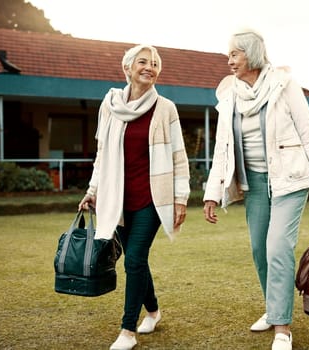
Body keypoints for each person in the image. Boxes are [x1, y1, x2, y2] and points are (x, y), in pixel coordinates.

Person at [202, 30, 309, 350]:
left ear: (250, 54)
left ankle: (282, 328)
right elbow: (222, 148)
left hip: (289, 179)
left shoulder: (284, 85)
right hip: (253, 182)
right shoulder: (230, 95)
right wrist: (212, 192)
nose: (229, 60)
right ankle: (274, 307)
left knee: (277, 246)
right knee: (259, 250)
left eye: (234, 54)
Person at [78, 44, 190, 350]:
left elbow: (179, 157)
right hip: (117, 199)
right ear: (127, 68)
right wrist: (92, 191)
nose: (149, 67)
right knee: (136, 262)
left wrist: (181, 198)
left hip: (152, 199)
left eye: (154, 63)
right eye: (143, 62)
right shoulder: (110, 104)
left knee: (136, 259)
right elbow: (102, 153)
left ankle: (128, 331)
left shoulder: (165, 108)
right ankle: (152, 310)